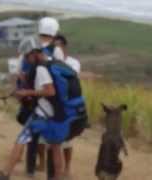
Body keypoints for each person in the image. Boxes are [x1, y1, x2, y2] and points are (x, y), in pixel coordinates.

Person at [0, 36, 64, 180]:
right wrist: (25, 81)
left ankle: (5, 174)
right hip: (57, 113)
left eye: (27, 56)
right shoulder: (52, 62)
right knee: (55, 146)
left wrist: (26, 92)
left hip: (43, 114)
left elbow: (50, 91)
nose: (27, 60)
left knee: (21, 140)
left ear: (33, 53)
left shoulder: (41, 68)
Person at [54, 34, 81, 177]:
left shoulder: (73, 62)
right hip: (54, 104)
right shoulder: (51, 62)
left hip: (69, 104)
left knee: (68, 139)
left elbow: (71, 76)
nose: (56, 48)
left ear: (64, 46)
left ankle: (68, 167)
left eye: (58, 45)